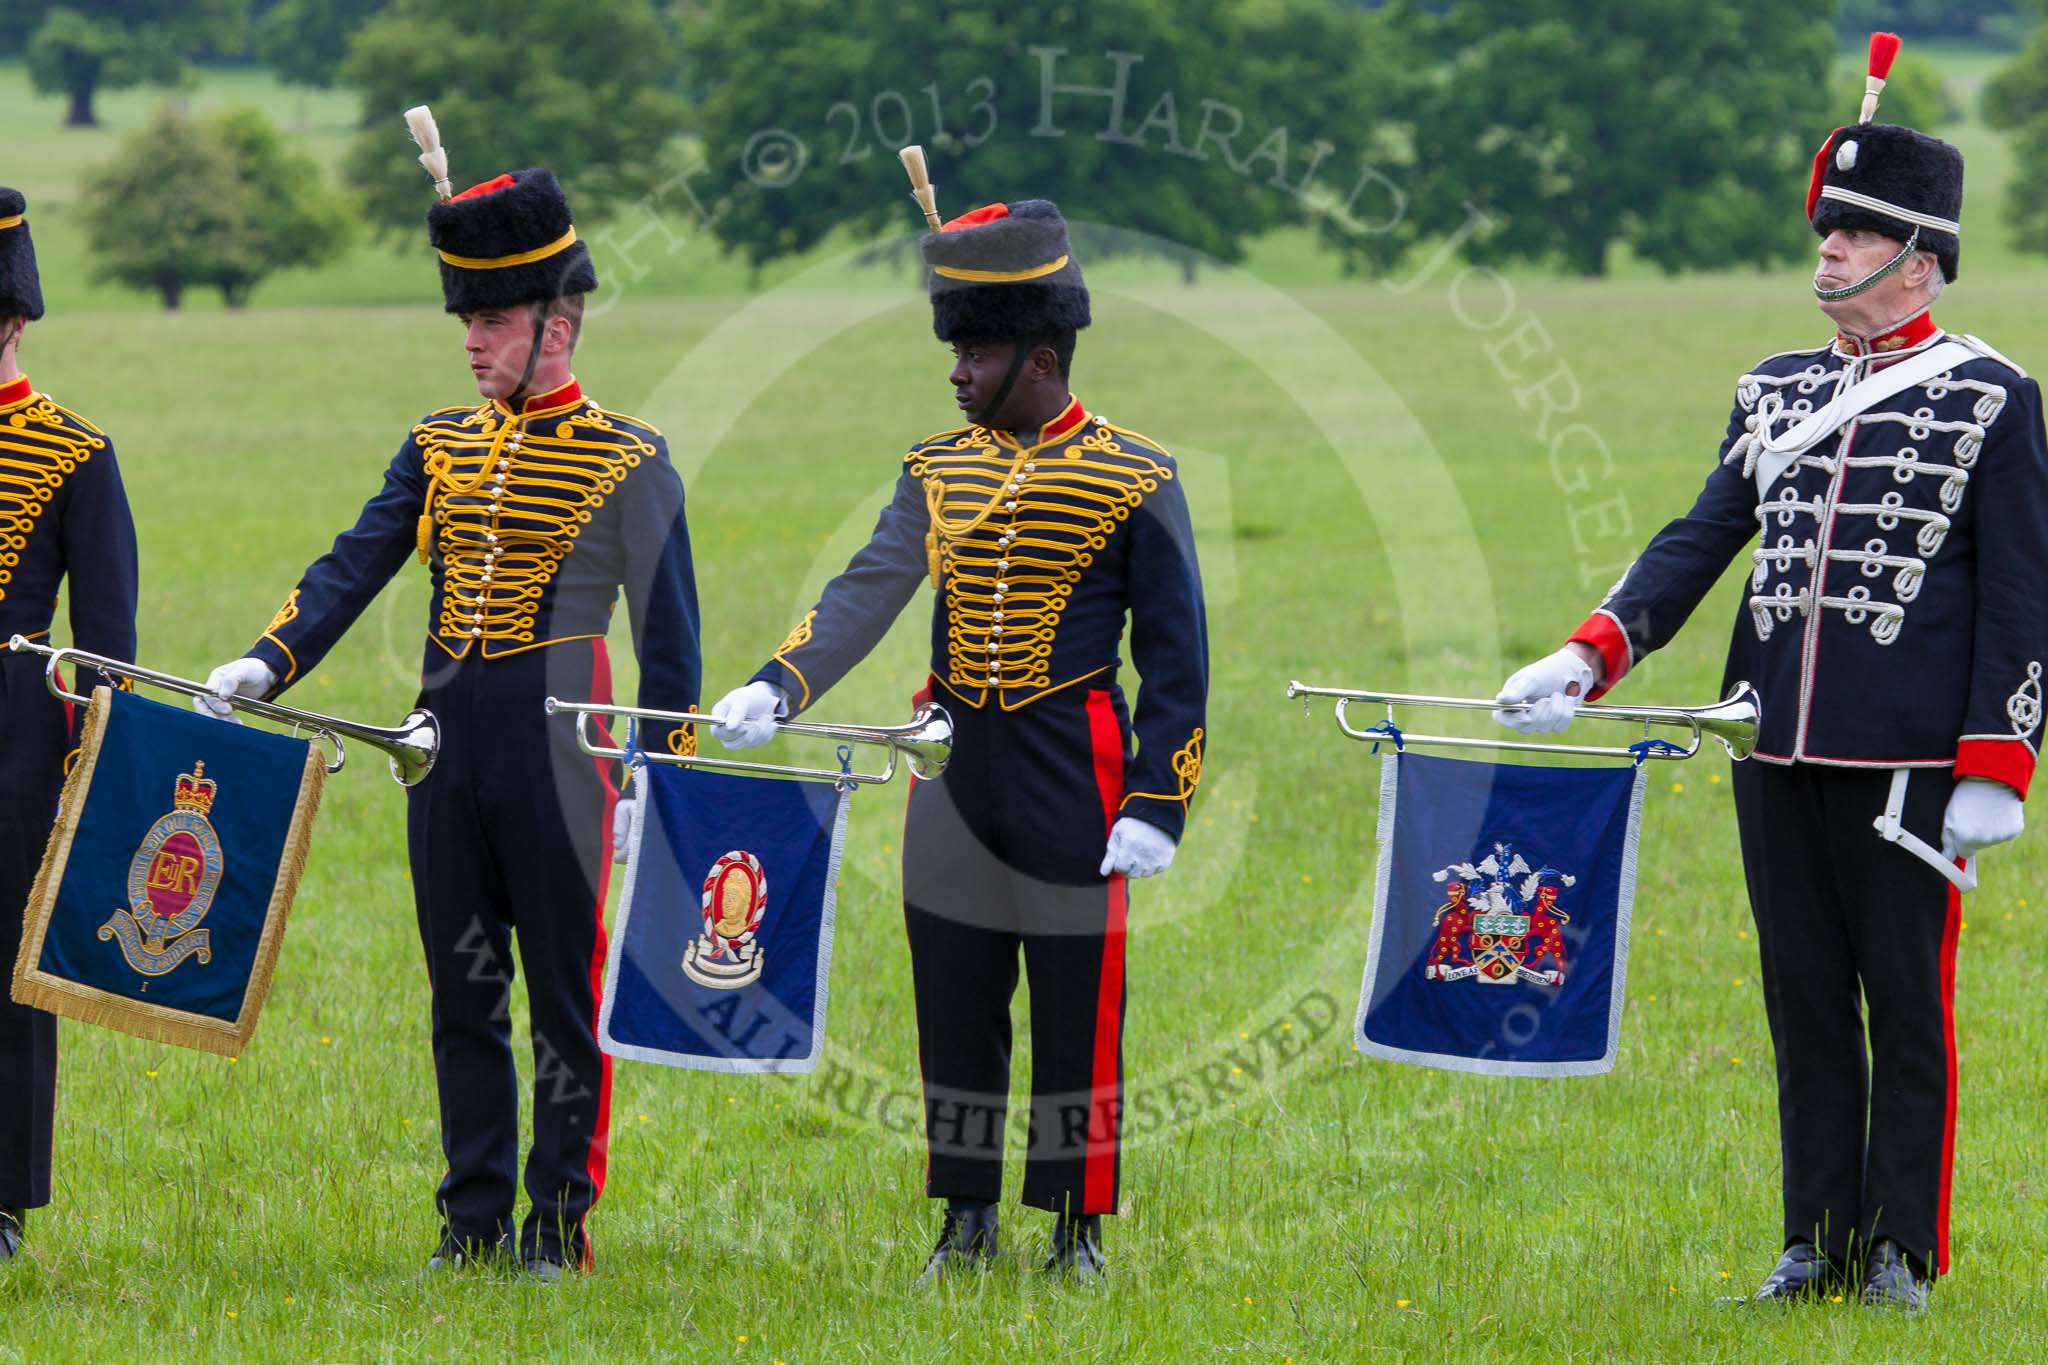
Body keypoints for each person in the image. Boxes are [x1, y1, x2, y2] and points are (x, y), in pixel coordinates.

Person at [1493, 41, 2047, 1312]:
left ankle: (1900, 1248)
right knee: (1800, 1003)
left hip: (1909, 765)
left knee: (1904, 1005)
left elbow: (2020, 593)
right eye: (1825, 230)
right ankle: (1814, 1241)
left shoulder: (1988, 397)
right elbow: (1698, 539)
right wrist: (1588, 651)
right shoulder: (1773, 391)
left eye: (1855, 235)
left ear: (1919, 257)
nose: (1828, 252)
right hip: (1772, 744)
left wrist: (1994, 763)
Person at [195, 168, 700, 1280]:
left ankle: (557, 1224)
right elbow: (353, 564)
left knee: (565, 998)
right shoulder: (436, 442)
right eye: (465, 321)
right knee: (462, 991)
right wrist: (266, 661)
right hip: (438, 748)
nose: (470, 343)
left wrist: (656, 784)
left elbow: (672, 652)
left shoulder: (630, 458)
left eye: (491, 320)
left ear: (556, 325)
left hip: (563, 756)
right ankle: (471, 1220)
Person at [708, 200, 1207, 1284]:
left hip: (1075, 762)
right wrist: (777, 684)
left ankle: (1075, 1226)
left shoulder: (1137, 474)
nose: (955, 372)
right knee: (955, 992)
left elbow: (1178, 662)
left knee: (1078, 998)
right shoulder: (934, 469)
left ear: (1039, 356)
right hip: (949, 758)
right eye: (954, 348)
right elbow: (867, 589)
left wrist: (1156, 804)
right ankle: (966, 1218)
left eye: (974, 351)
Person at [0, 187, 140, 1261]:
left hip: (15, 734)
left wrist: (95, 774)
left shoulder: (73, 452)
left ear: (12, 323)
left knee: (8, 965)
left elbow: (107, 647)